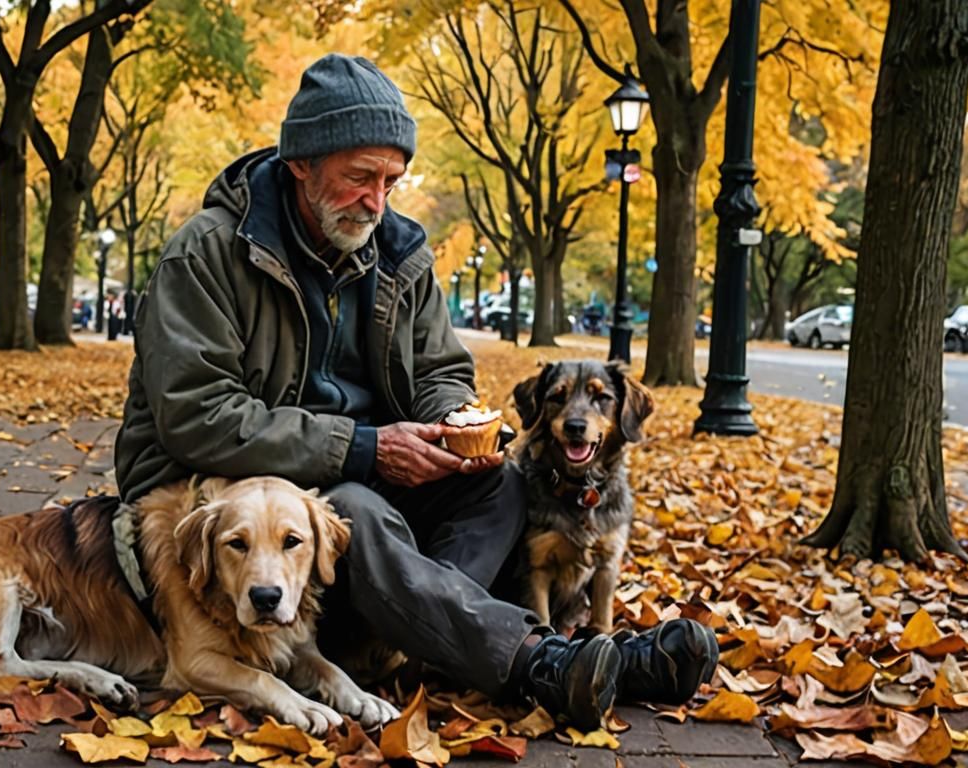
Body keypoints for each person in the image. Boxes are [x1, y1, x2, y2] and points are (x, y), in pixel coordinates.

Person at [113, 53, 717, 727]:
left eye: (391, 181)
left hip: (366, 488)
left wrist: (455, 426)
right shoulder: (208, 254)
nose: (376, 201)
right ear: (301, 165)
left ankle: (419, 636)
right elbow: (196, 417)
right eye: (359, 178)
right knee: (354, 511)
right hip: (233, 504)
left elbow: (440, 372)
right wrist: (365, 448)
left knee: (505, 485)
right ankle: (538, 663)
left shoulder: (400, 250)